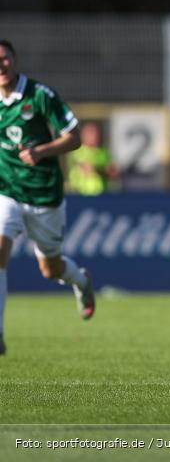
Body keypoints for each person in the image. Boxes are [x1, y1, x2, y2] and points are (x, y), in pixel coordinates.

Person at [0, 40, 95, 356]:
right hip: (7, 190)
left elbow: (75, 137)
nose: (1, 66)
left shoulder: (40, 95)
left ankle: (81, 282)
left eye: (4, 59)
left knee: (50, 270)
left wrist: (42, 150)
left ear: (15, 60)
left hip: (43, 194)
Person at [68, 121, 118, 195]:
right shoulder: (78, 151)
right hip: (81, 195)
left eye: (96, 133)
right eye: (90, 133)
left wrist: (99, 170)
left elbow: (113, 172)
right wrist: (102, 170)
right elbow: (86, 168)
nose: (94, 136)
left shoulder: (104, 152)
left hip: (104, 195)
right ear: (83, 135)